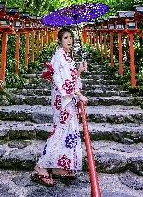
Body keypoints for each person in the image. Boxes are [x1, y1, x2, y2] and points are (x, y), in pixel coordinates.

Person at [31, 27, 88, 187]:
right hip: (63, 100)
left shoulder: (67, 57)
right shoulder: (59, 57)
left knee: (67, 132)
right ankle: (41, 167)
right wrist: (79, 94)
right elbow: (62, 82)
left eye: (71, 37)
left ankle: (57, 167)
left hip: (68, 100)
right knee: (60, 132)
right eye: (66, 38)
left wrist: (79, 71)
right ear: (59, 40)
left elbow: (70, 78)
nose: (69, 40)